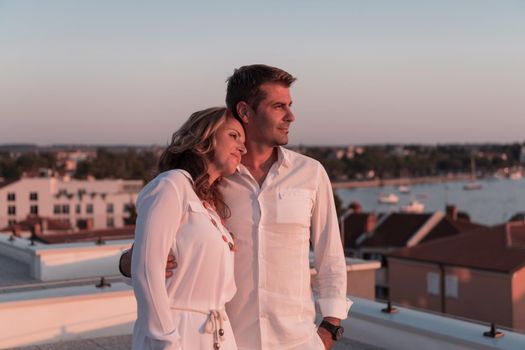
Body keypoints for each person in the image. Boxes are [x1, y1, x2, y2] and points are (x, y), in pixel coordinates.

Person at [121, 65, 351, 350]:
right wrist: (130, 262)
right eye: (279, 106)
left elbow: (331, 256)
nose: (291, 116)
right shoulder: (207, 183)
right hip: (229, 340)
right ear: (245, 111)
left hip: (297, 341)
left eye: (290, 105)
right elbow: (154, 250)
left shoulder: (311, 173)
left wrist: (330, 327)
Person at [130, 107, 246, 350]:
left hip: (218, 335)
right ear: (205, 136)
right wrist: (167, 340)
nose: (242, 147)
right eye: (234, 136)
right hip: (178, 332)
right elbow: (146, 270)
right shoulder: (171, 186)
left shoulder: (210, 206)